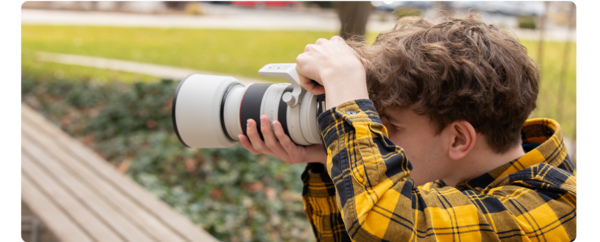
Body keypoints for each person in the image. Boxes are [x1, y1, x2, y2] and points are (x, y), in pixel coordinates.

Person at [239, 14, 577, 241]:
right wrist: (333, 159)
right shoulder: (443, 175)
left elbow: (385, 227)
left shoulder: (557, 209)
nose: (380, 139)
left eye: (390, 126)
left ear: (458, 139)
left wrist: (347, 97)